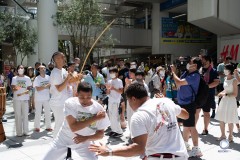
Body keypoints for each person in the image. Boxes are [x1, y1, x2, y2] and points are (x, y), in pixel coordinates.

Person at [89, 83, 189, 160]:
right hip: (181, 156)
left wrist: (109, 151)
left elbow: (138, 149)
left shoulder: (138, 116)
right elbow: (186, 115)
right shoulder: (165, 102)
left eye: (128, 101)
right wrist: (169, 104)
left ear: (133, 99)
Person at [43, 82, 110, 160]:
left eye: (88, 97)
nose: (85, 100)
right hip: (64, 139)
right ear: (76, 94)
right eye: (82, 97)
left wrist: (86, 138)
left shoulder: (99, 109)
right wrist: (95, 118)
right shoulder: (70, 103)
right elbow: (74, 127)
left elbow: (101, 134)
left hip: (85, 142)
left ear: (92, 95)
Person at [170, 57, 203, 157]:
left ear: (195, 65)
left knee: (191, 127)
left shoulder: (195, 76)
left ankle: (196, 149)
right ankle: (185, 145)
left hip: (189, 104)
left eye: (190, 62)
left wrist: (173, 72)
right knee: (185, 126)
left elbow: (179, 82)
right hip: (182, 103)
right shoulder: (187, 73)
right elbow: (177, 84)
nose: (187, 64)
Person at [49, 52, 74, 138]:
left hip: (63, 101)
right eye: (62, 57)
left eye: (64, 56)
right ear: (56, 60)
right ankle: (55, 144)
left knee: (64, 124)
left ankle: (61, 142)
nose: (64, 58)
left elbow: (68, 83)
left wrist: (77, 78)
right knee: (59, 124)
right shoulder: (55, 73)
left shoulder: (63, 70)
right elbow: (59, 88)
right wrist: (67, 79)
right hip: (57, 103)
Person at [215, 64, 239, 142]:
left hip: (231, 101)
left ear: (230, 70)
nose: (224, 70)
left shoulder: (234, 80)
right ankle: (223, 135)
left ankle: (230, 136)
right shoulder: (225, 78)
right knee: (221, 118)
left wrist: (224, 94)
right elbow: (225, 90)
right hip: (224, 101)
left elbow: (235, 94)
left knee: (230, 119)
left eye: (226, 69)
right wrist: (220, 93)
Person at [196, 55, 219, 135]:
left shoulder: (213, 71)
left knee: (206, 113)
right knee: (196, 112)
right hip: (199, 95)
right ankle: (193, 129)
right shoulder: (199, 70)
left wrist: (206, 86)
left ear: (209, 62)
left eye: (205, 61)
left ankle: (205, 129)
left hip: (208, 95)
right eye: (202, 61)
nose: (203, 62)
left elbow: (216, 82)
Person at [11, 65, 32, 136]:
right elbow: (13, 89)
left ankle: (26, 131)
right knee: (18, 115)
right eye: (19, 68)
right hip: (17, 99)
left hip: (25, 99)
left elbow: (29, 87)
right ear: (17, 70)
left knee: (25, 115)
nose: (20, 69)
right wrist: (19, 87)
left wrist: (27, 90)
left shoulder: (27, 78)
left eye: (22, 68)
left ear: (24, 70)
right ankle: (19, 132)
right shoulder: (14, 78)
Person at [33, 65, 52, 132]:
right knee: (38, 112)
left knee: (47, 112)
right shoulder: (37, 78)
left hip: (47, 98)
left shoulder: (48, 77)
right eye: (41, 68)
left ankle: (48, 126)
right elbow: (38, 89)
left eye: (44, 68)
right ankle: (37, 127)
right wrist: (46, 86)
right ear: (39, 70)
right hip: (39, 98)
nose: (43, 69)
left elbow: (51, 86)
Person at [106, 67, 123, 138]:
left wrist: (114, 88)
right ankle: (113, 130)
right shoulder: (109, 81)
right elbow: (107, 92)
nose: (112, 74)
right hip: (110, 100)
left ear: (117, 73)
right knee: (110, 116)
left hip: (116, 101)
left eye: (113, 72)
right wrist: (108, 89)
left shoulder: (119, 81)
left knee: (114, 116)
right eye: (111, 73)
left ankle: (119, 131)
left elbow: (121, 91)